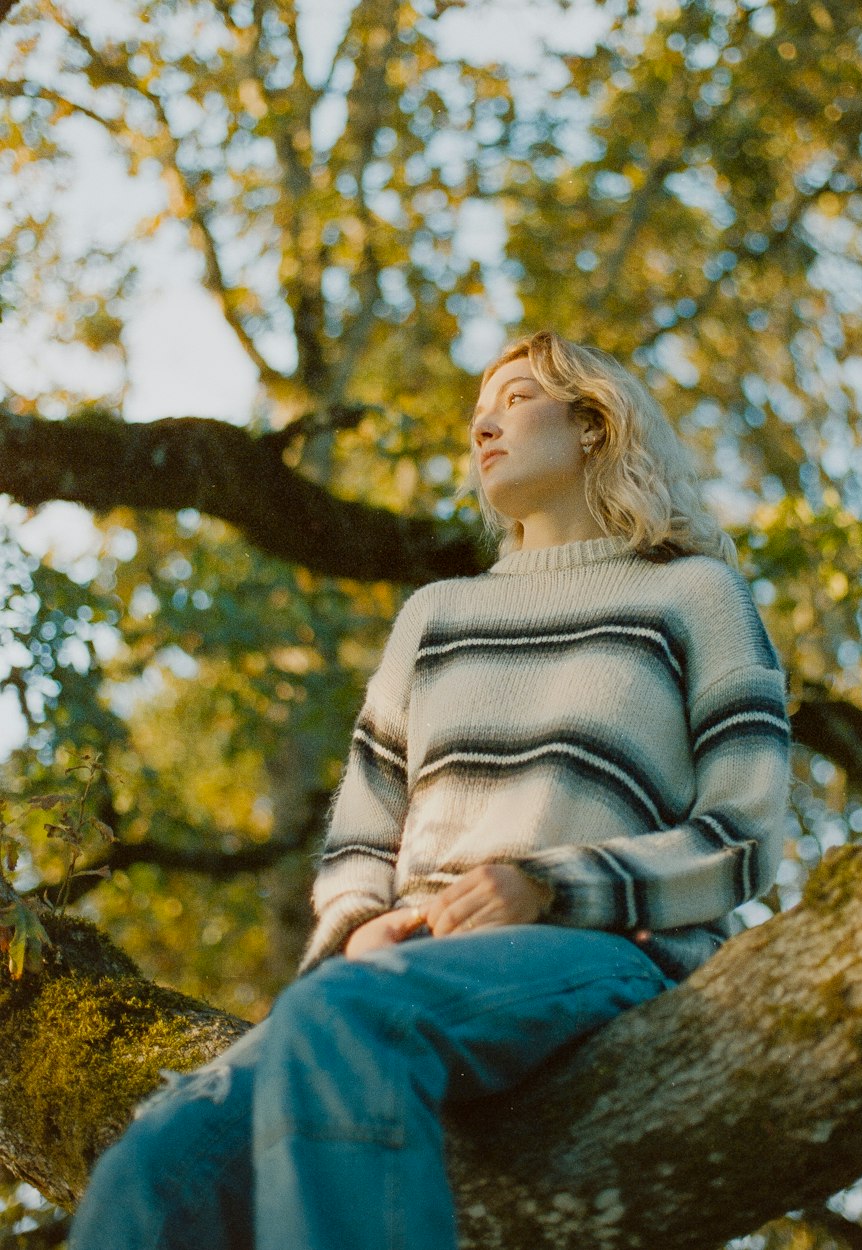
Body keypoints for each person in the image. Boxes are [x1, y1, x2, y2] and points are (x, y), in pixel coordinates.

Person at [69, 330, 791, 1250]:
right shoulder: (435, 617)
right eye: (477, 411)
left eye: (519, 398)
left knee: (346, 1018)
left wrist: (547, 885)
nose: (485, 424)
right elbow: (362, 834)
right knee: (157, 1160)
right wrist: (352, 930)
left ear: (595, 426)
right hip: (405, 967)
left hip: (605, 949)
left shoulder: (695, 595)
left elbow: (743, 834)